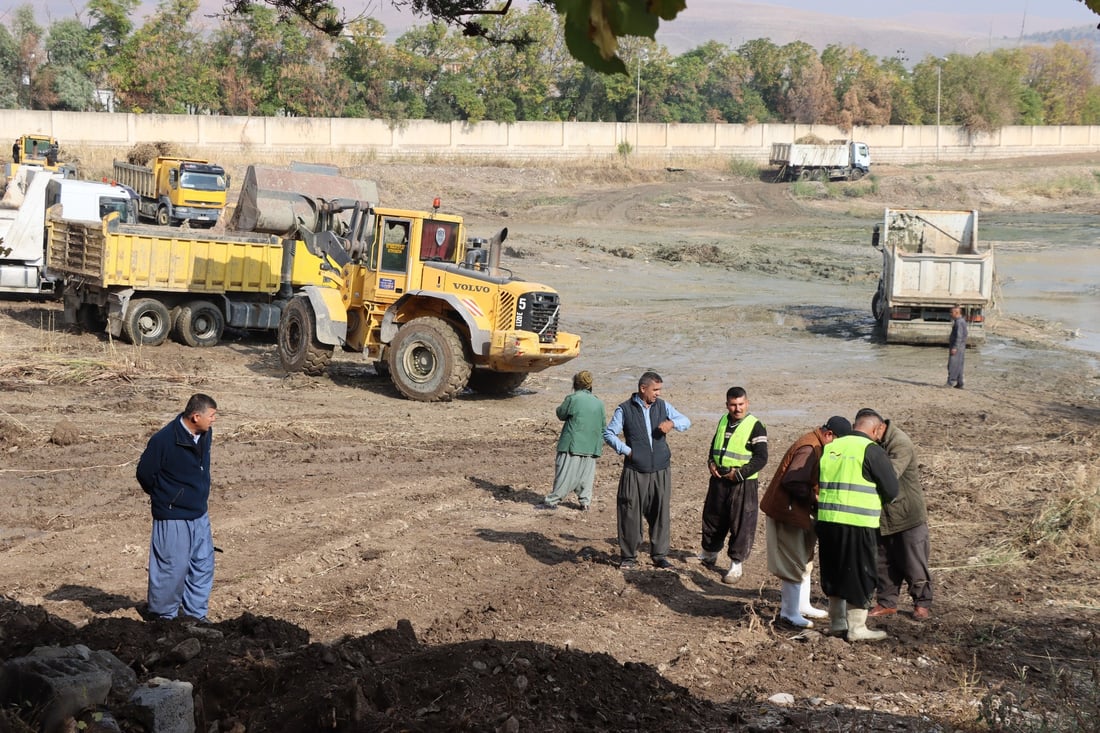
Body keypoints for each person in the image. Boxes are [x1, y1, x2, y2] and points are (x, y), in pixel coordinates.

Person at [759, 415, 850, 628]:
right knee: (793, 560)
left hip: (798, 511)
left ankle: (802, 605)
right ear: (829, 434)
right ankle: (789, 612)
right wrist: (814, 497)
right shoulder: (809, 448)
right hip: (787, 512)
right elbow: (793, 480)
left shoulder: (816, 444)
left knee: (804, 558)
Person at [816, 408, 898, 642]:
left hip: (828, 521)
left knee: (833, 572)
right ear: (876, 429)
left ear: (855, 425)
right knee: (860, 574)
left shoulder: (831, 447)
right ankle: (857, 627)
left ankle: (837, 622)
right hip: (858, 523)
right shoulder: (871, 450)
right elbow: (892, 490)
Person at [136, 394, 219, 622]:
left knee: (203, 565)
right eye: (211, 415)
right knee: (172, 569)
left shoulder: (205, 434)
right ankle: (164, 618)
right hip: (173, 515)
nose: (214, 420)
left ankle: (195, 617)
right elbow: (144, 474)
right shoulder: (163, 440)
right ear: (196, 417)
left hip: (199, 513)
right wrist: (167, 497)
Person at [604, 371, 691, 570]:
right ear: (643, 389)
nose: (658, 393)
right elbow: (609, 434)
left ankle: (660, 556)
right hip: (635, 470)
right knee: (630, 512)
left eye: (659, 389)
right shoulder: (624, 409)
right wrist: (628, 451)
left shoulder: (663, 406)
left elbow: (686, 421)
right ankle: (628, 557)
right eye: (655, 389)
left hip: (661, 469)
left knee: (660, 513)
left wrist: (672, 423)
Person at [865, 411, 934, 621]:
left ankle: (922, 603)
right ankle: (887, 602)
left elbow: (890, 476)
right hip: (883, 515)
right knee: (883, 561)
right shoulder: (873, 442)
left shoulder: (900, 443)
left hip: (907, 514)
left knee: (914, 561)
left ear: (878, 428)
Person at [697, 387, 768, 584]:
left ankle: (736, 564)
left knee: (741, 523)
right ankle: (709, 554)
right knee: (712, 516)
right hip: (719, 479)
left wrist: (738, 474)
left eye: (741, 404)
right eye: (733, 405)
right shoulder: (723, 420)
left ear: (747, 403)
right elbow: (714, 446)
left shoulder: (755, 426)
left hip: (743, 483)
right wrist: (711, 463)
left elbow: (761, 458)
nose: (737, 409)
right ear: (727, 405)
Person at [537, 370, 606, 511]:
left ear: (576, 384)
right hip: (592, 446)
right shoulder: (599, 403)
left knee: (564, 474)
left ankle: (551, 501)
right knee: (586, 477)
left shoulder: (573, 398)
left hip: (572, 444)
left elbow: (561, 414)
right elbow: (603, 426)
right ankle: (585, 503)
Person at [947, 305, 967, 388]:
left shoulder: (959, 322)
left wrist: (955, 347)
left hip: (958, 347)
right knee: (959, 365)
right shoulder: (960, 321)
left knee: (953, 364)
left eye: (951, 312)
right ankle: (960, 383)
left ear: (956, 313)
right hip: (961, 346)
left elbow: (959, 336)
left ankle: (950, 382)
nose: (950, 314)